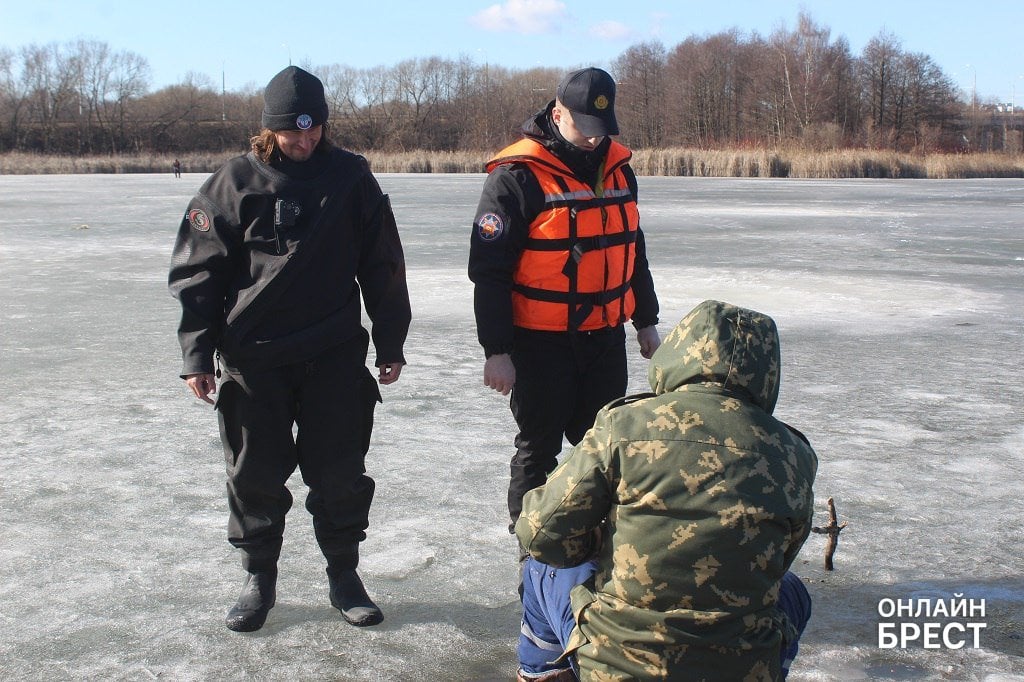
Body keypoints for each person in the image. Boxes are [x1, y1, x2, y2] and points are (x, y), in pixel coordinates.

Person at [168, 65, 411, 633]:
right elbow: (197, 273)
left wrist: (390, 338)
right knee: (253, 475)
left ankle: (345, 577)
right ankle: (259, 580)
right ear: (269, 130)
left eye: (315, 129)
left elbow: (383, 265)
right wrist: (196, 354)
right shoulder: (233, 183)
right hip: (255, 360)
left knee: (340, 475)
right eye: (293, 132)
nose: (306, 141)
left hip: (333, 357)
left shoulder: (352, 178)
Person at [514, 300, 818, 681]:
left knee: (542, 567)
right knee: (792, 591)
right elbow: (781, 557)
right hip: (737, 665)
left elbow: (540, 531)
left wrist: (602, 545)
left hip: (619, 663)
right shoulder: (792, 453)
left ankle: (542, 672)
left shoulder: (624, 425)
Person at [468, 67, 661, 534]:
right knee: (537, 449)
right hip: (539, 343)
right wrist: (497, 351)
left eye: (602, 130)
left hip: (604, 339)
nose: (594, 141)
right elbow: (489, 273)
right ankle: (532, 552)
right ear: (557, 114)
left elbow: (631, 250)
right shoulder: (516, 177)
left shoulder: (620, 170)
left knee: (607, 447)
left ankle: (598, 544)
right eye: (584, 128)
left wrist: (646, 321)